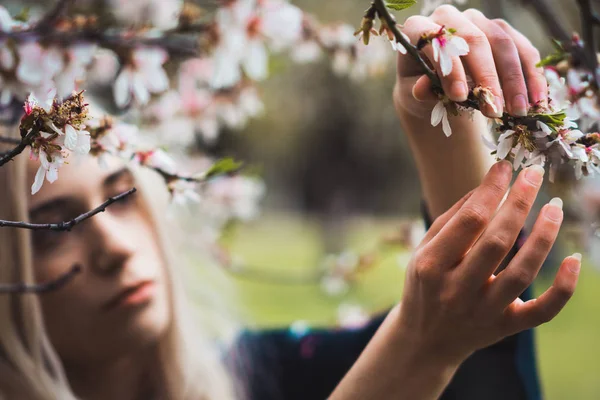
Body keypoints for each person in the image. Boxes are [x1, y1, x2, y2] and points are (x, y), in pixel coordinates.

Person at [0, 5, 580, 400]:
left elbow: (474, 363)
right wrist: (420, 344)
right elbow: (436, 343)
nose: (114, 248)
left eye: (122, 198)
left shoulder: (264, 376)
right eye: (57, 227)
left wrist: (439, 121)